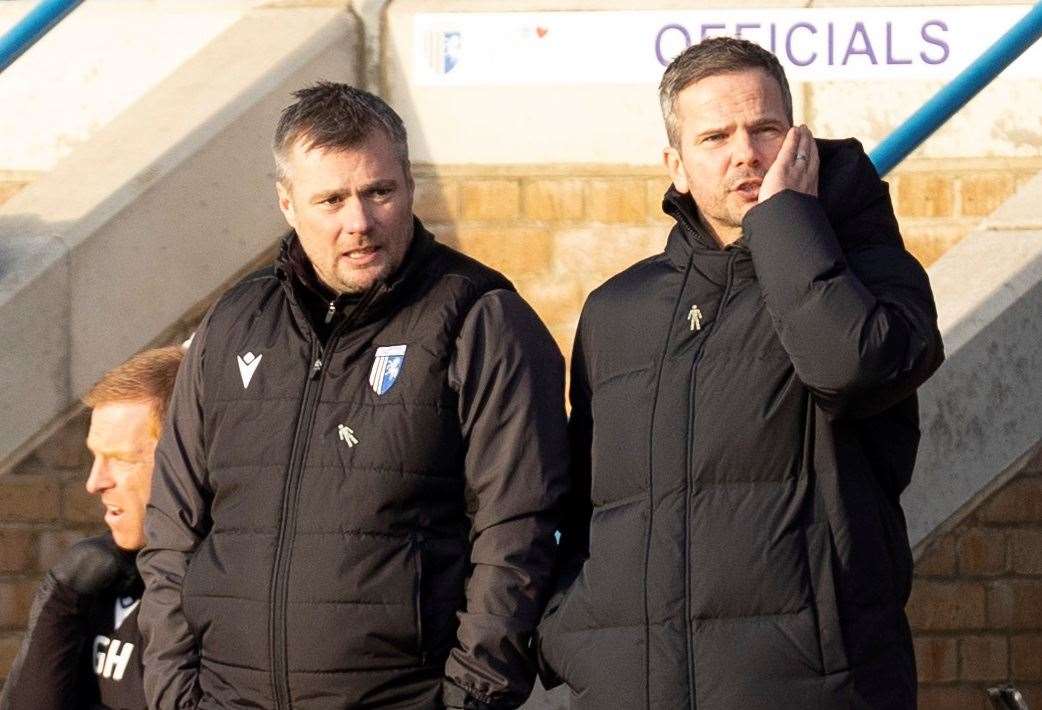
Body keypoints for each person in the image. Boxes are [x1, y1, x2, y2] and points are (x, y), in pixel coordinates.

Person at [536, 37, 944, 709]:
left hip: (817, 691)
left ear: (798, 142)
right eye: (716, 136)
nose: (745, 153)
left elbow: (853, 366)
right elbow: (586, 500)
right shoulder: (617, 311)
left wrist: (784, 218)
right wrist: (575, 637)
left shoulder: (872, 273)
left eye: (765, 130)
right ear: (675, 165)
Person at [137, 82, 568, 710]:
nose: (359, 222)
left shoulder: (480, 319)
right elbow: (174, 528)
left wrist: (471, 701)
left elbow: (518, 536)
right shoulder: (231, 324)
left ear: (409, 185)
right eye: (331, 199)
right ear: (287, 203)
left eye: (379, 192)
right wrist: (176, 696)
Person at [1, 346, 184, 710]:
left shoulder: (227, 599)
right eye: (95, 456)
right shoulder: (96, 586)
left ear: (184, 460)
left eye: (121, 459)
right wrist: (60, 600)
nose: (94, 482)